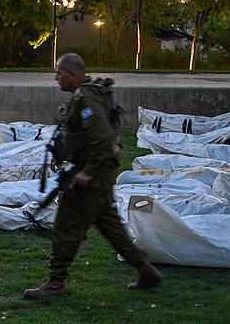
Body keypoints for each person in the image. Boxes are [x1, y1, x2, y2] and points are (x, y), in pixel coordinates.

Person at [24, 53, 163, 300]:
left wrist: (87, 172)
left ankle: (55, 283)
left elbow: (104, 139)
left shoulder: (86, 98)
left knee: (65, 227)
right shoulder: (84, 96)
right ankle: (146, 271)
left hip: (92, 176)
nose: (56, 78)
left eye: (59, 73)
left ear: (72, 74)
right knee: (110, 226)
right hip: (97, 174)